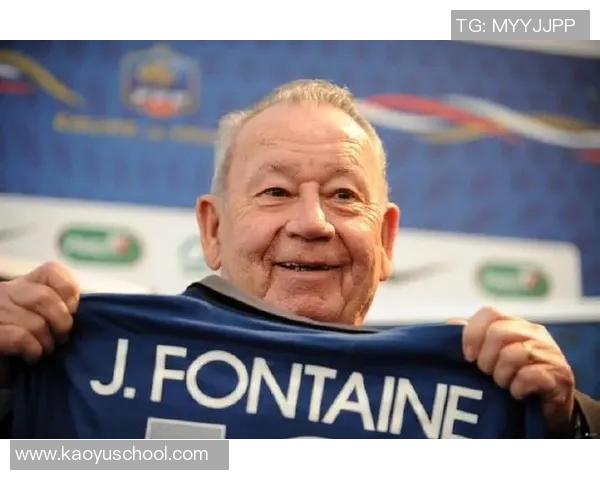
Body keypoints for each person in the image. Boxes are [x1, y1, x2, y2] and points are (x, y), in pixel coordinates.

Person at [0, 79, 598, 438]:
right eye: (275, 191)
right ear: (213, 228)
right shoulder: (81, 363)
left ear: (386, 240)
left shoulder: (474, 399)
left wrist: (563, 430)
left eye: (344, 196)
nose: (312, 222)